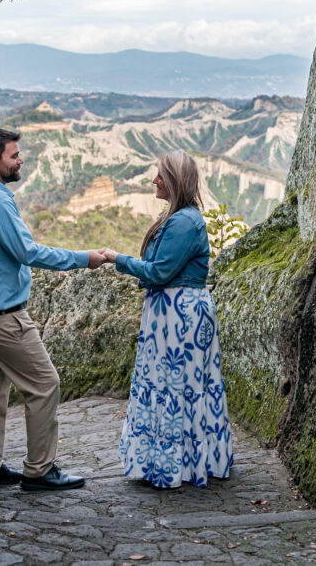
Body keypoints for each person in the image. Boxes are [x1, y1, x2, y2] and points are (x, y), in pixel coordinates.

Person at [0, 127, 106, 491]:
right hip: (4, 317)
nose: (20, 160)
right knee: (44, 384)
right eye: (13, 155)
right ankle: (40, 470)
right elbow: (29, 252)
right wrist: (83, 258)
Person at [100, 150, 233, 488]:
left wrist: (118, 259)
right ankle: (183, 460)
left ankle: (173, 464)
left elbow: (160, 271)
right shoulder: (179, 218)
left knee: (175, 387)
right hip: (173, 314)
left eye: (160, 175)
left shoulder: (184, 221)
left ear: (174, 180)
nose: (154, 180)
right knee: (178, 386)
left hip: (180, 315)